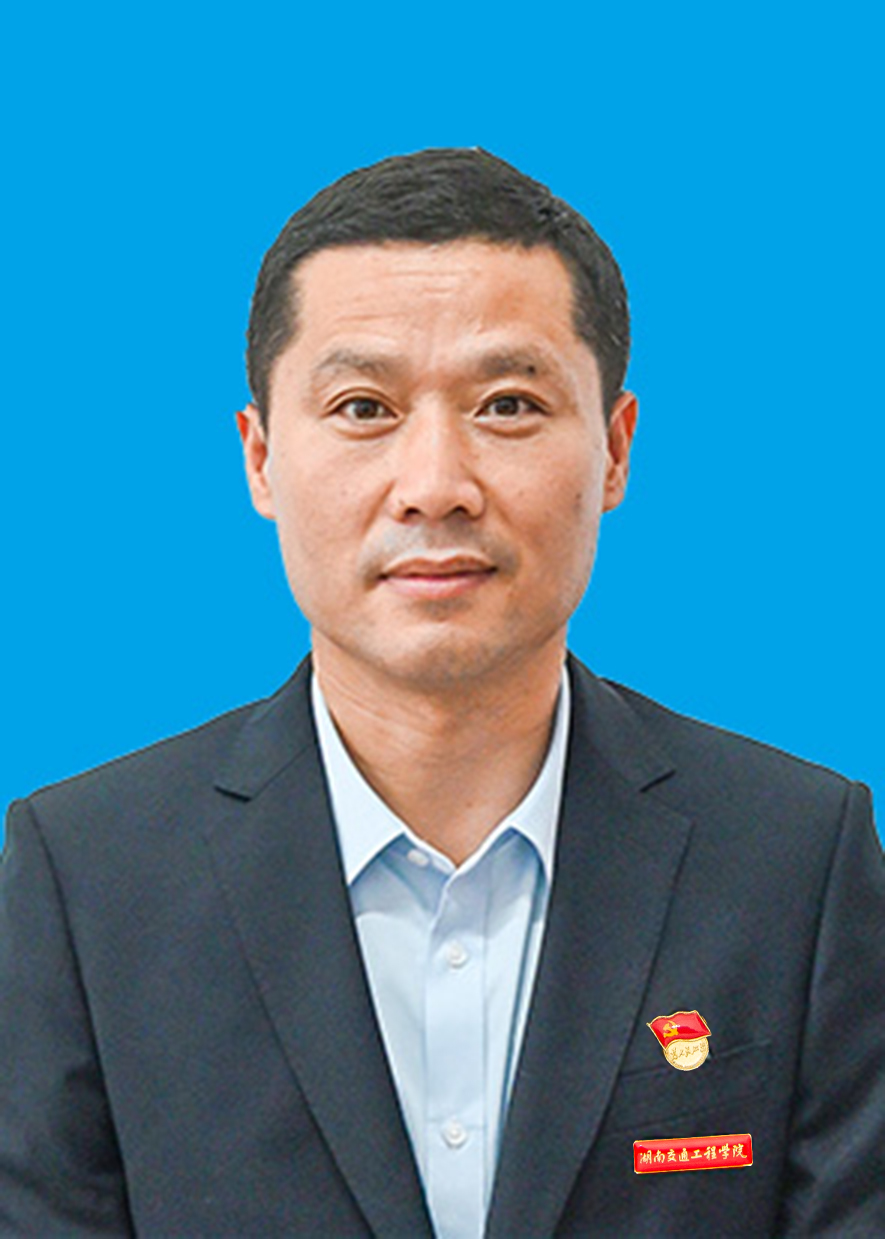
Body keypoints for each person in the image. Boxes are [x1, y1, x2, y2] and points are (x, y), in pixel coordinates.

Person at [1, 149, 882, 1238]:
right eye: (363, 406)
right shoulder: (86, 877)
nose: (434, 487)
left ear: (614, 450)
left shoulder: (796, 857)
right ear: (261, 458)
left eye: (508, 404)